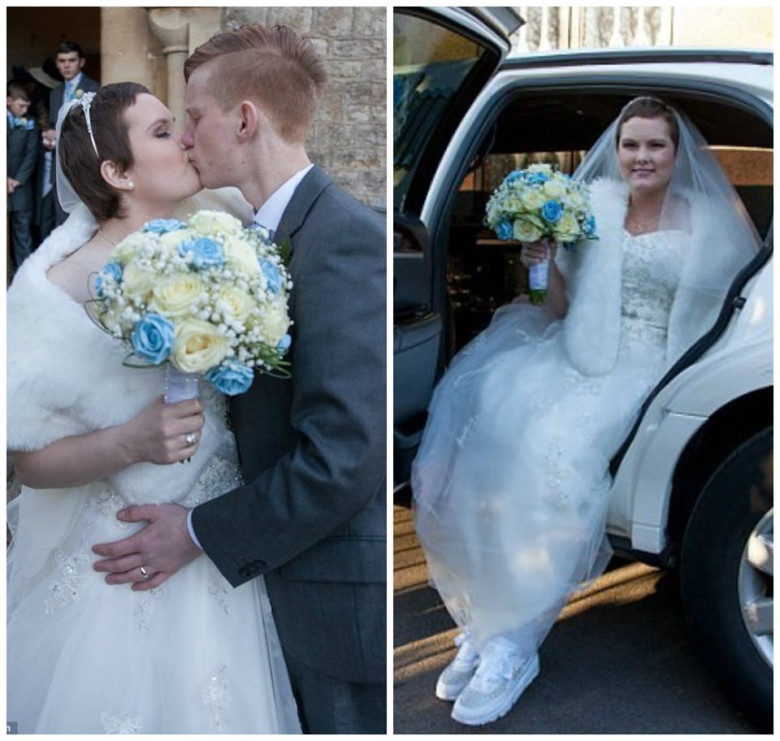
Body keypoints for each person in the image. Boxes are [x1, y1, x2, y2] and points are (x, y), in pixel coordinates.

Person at [411, 97, 761, 726]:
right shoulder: (592, 207)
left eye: (655, 145)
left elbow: (725, 321)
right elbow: (554, 309)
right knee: (493, 432)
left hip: (658, 365)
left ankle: (515, 642)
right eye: (631, 145)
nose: (641, 157)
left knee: (552, 457)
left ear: (677, 153)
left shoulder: (708, 221)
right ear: (617, 151)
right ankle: (489, 622)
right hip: (578, 350)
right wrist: (541, 264)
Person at [90, 24, 387, 734]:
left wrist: (196, 530)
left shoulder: (342, 237)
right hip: (265, 586)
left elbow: (345, 456)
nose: (186, 137)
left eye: (194, 117)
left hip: (333, 601)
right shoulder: (249, 234)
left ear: (245, 120)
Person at [7, 83, 299, 734]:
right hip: (124, 552)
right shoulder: (55, 291)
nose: (186, 140)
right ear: (118, 173)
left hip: (225, 532)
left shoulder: (229, 231)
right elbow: (30, 463)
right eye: (163, 132)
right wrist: (130, 442)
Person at [47, 41, 100, 227]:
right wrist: (49, 139)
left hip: (84, 163)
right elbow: (53, 124)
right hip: (59, 165)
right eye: (62, 61)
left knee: (87, 221)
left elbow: (98, 127)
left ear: (81, 62)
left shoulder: (95, 87)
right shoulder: (55, 93)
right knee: (61, 220)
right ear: (57, 63)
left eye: (71, 60)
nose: (67, 65)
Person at [7, 81, 39, 271]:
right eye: (21, 106)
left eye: (27, 106)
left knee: (23, 234)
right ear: (8, 101)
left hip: (20, 187)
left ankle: (24, 274)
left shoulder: (30, 122)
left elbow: (31, 154)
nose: (25, 110)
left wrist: (17, 180)